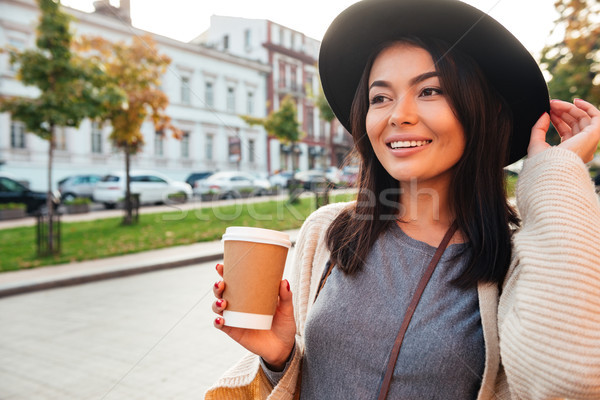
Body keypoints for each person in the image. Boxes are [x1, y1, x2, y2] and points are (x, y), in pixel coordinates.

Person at [207, 0, 600, 398]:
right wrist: (281, 358)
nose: (399, 115)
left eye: (429, 90)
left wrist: (555, 171)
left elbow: (572, 382)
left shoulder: (517, 254)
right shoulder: (327, 232)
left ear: (481, 111)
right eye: (380, 98)